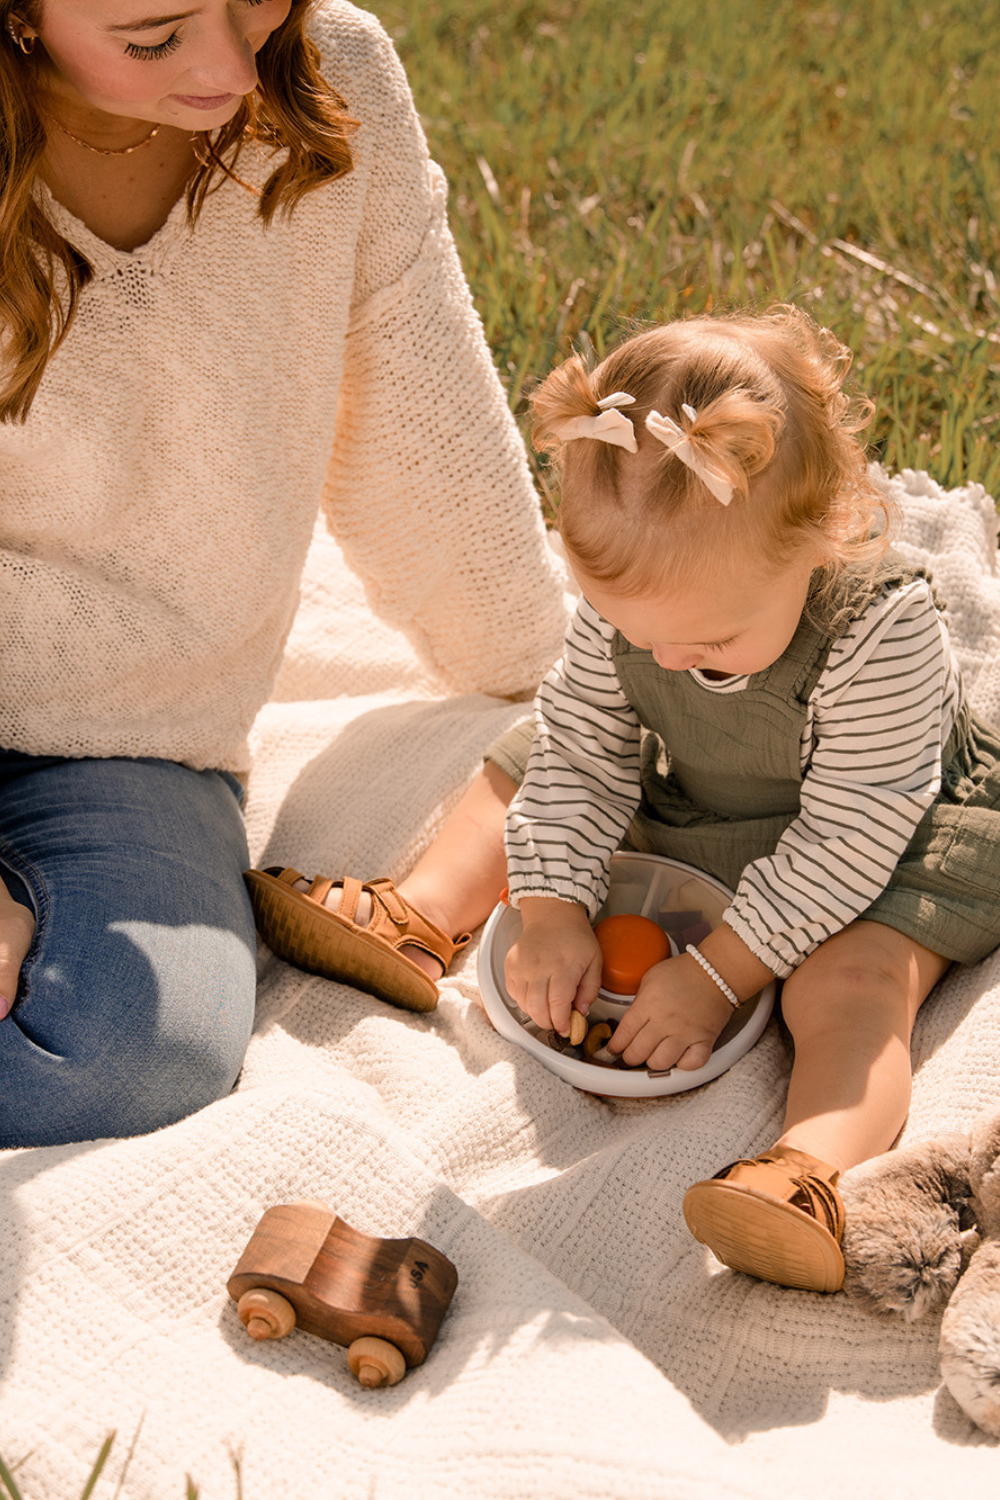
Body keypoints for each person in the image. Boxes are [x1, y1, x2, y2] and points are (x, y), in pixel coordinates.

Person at [259, 304, 1000, 1295]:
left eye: (708, 642)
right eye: (633, 631)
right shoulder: (650, 615)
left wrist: (719, 971)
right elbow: (582, 754)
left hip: (884, 839)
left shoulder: (880, 632)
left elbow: (845, 838)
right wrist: (555, 907)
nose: (667, 659)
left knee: (854, 985)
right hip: (700, 791)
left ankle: (806, 1173)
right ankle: (423, 914)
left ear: (819, 539)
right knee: (526, 756)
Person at [0, 0, 567, 1149]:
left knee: (135, 1050)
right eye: (151, 35)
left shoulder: (338, 71)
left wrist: (577, 682)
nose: (226, 62)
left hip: (122, 731)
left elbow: (426, 431)